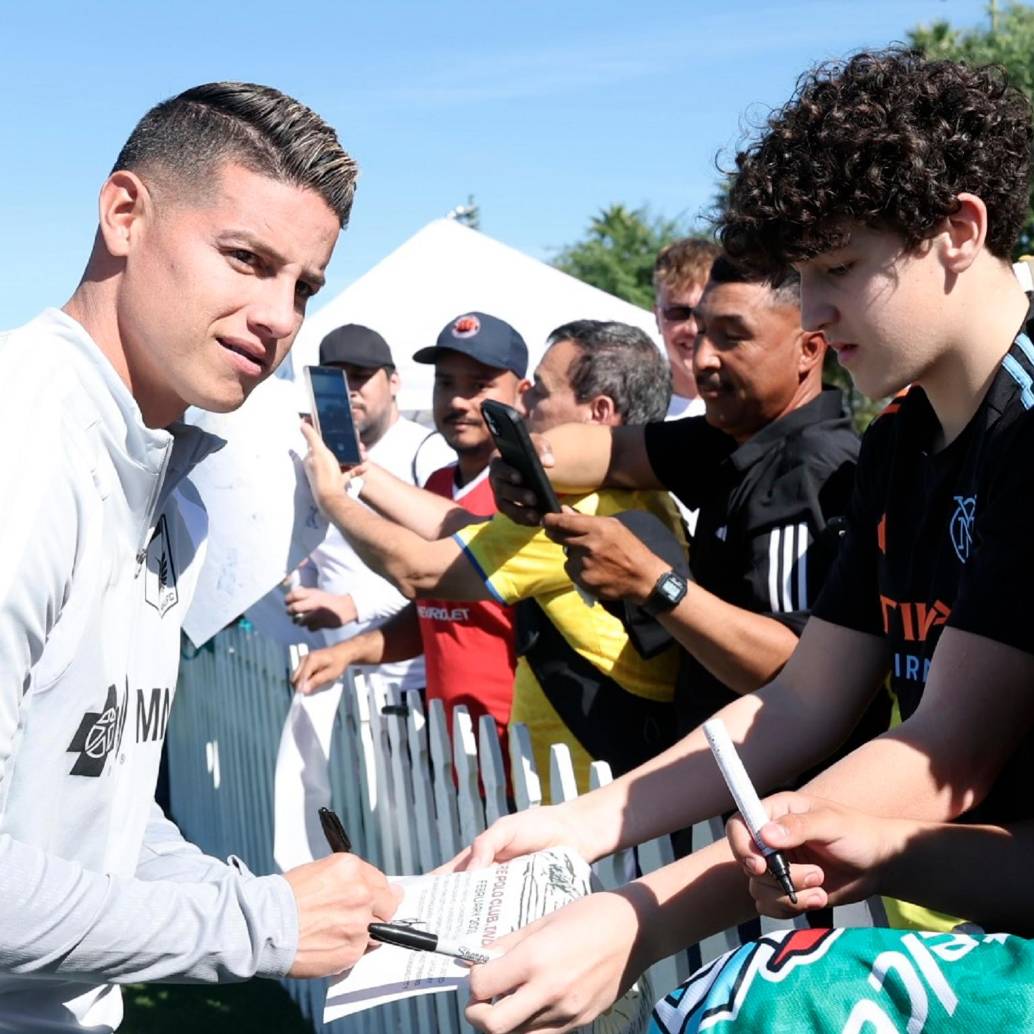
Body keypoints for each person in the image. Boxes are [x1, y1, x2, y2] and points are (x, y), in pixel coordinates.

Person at [444, 50, 1034, 1034]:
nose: (808, 311)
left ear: (957, 232)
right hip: (984, 895)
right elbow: (805, 694)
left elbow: (949, 748)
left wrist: (638, 911)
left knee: (731, 1010)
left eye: (836, 269)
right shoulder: (900, 438)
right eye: (800, 275)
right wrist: (584, 824)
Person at [0, 83, 401, 1031]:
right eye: (245, 259)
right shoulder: (24, 452)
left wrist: (270, 900)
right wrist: (257, 921)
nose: (280, 317)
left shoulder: (166, 471)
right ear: (125, 213)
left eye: (303, 286)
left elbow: (93, 795)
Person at [293, 320, 685, 793]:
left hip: (584, 798)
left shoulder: (581, 508)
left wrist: (333, 498)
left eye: (539, 391)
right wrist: (357, 472)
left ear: (598, 412)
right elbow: (461, 526)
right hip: (572, 787)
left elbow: (417, 571)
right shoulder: (623, 495)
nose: (525, 405)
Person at [495, 257, 860, 741]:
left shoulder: (813, 470)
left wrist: (654, 583)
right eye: (702, 332)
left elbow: (796, 667)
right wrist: (532, 463)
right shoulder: (731, 436)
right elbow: (611, 448)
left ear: (809, 350)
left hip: (783, 797)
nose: (702, 357)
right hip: (713, 783)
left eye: (732, 336)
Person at [292, 312, 527, 744]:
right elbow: (432, 615)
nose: (458, 401)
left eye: (478, 385)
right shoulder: (438, 486)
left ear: (522, 394)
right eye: (445, 383)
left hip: (523, 752)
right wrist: (349, 651)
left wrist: (335, 496)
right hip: (448, 745)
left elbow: (416, 573)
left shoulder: (524, 498)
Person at [284, 323, 453, 697]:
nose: (349, 391)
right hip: (338, 678)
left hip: (411, 683)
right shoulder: (318, 456)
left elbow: (448, 571)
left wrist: (351, 605)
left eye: (361, 377)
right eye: (336, 379)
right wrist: (303, 588)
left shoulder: (429, 452)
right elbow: (314, 549)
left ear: (394, 383)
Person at [653, 237, 721, 420]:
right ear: (657, 318)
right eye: (678, 312)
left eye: (704, 314)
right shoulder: (630, 410)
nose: (692, 329)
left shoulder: (750, 412)